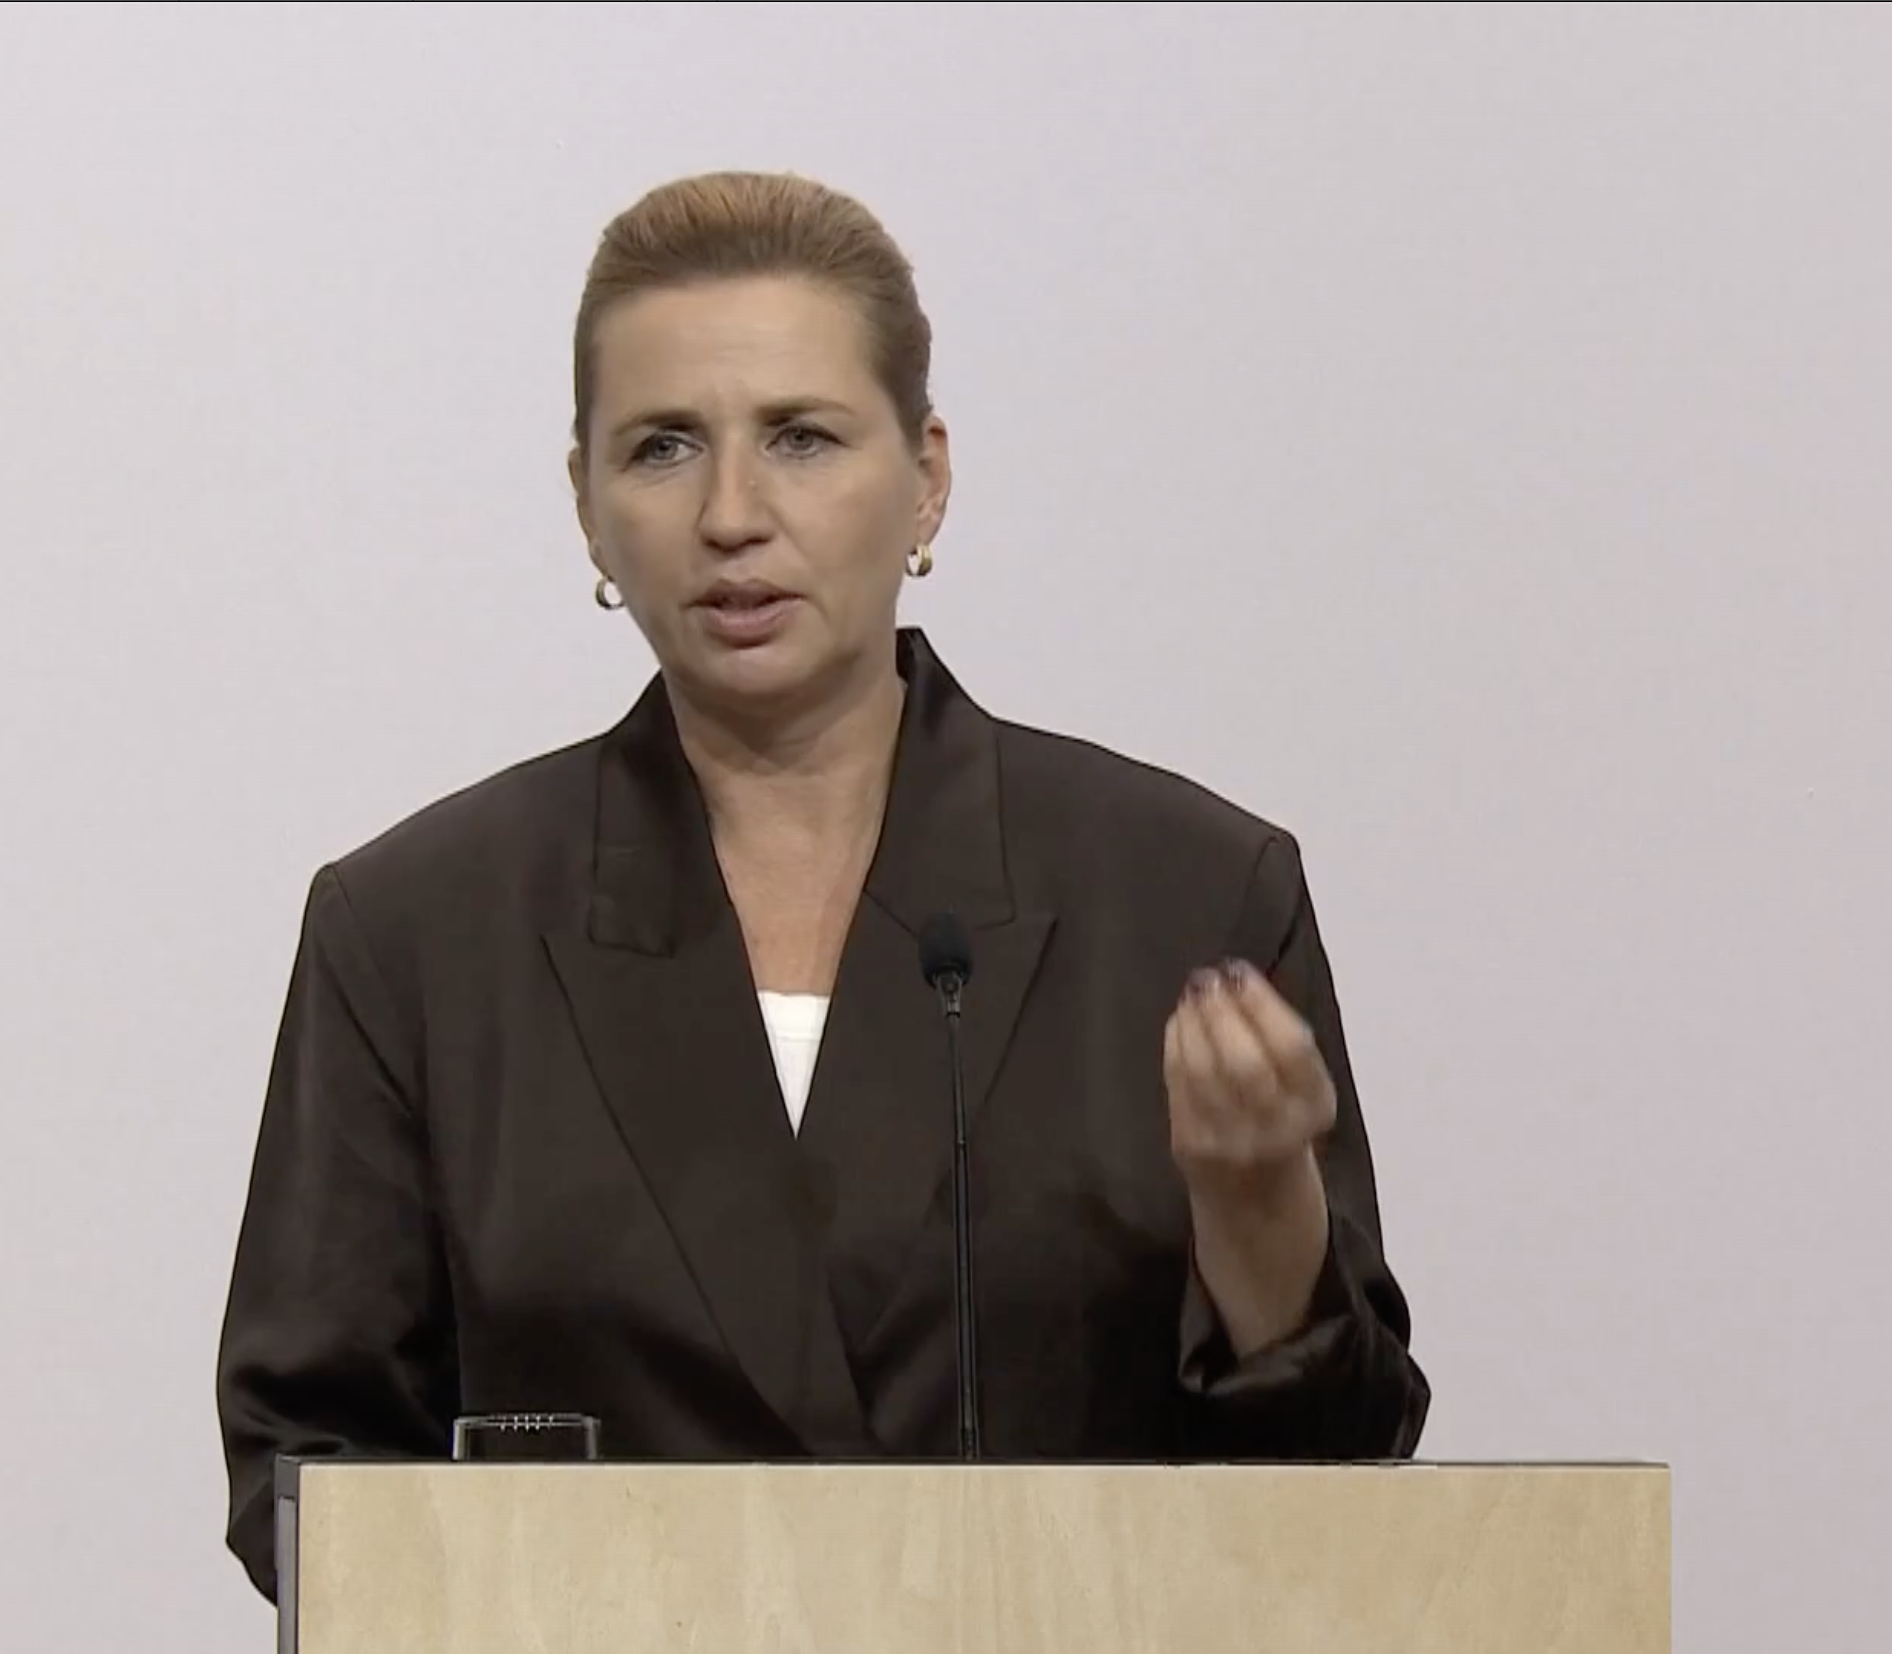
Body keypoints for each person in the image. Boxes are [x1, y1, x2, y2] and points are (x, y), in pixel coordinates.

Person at [212, 169, 1428, 1602]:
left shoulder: (1185, 897)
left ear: (926, 476)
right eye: (664, 447)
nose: (733, 512)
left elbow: (1334, 1497)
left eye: (801, 437)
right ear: (588, 506)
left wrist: (1257, 1214)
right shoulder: (419, 933)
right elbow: (310, 1477)